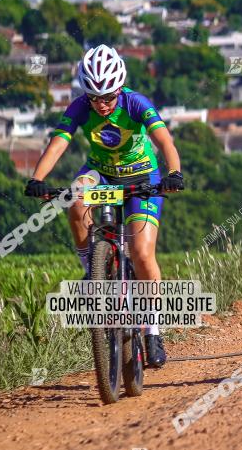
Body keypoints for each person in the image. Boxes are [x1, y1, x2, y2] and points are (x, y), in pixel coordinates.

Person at [24, 45, 183, 368]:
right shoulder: (80, 107)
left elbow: (164, 140)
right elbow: (58, 142)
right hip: (102, 173)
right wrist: (37, 178)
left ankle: (152, 330)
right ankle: (91, 268)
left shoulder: (136, 103)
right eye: (96, 98)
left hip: (142, 176)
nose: (103, 104)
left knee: (141, 252)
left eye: (109, 97)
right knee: (75, 200)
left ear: (120, 87)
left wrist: (174, 172)